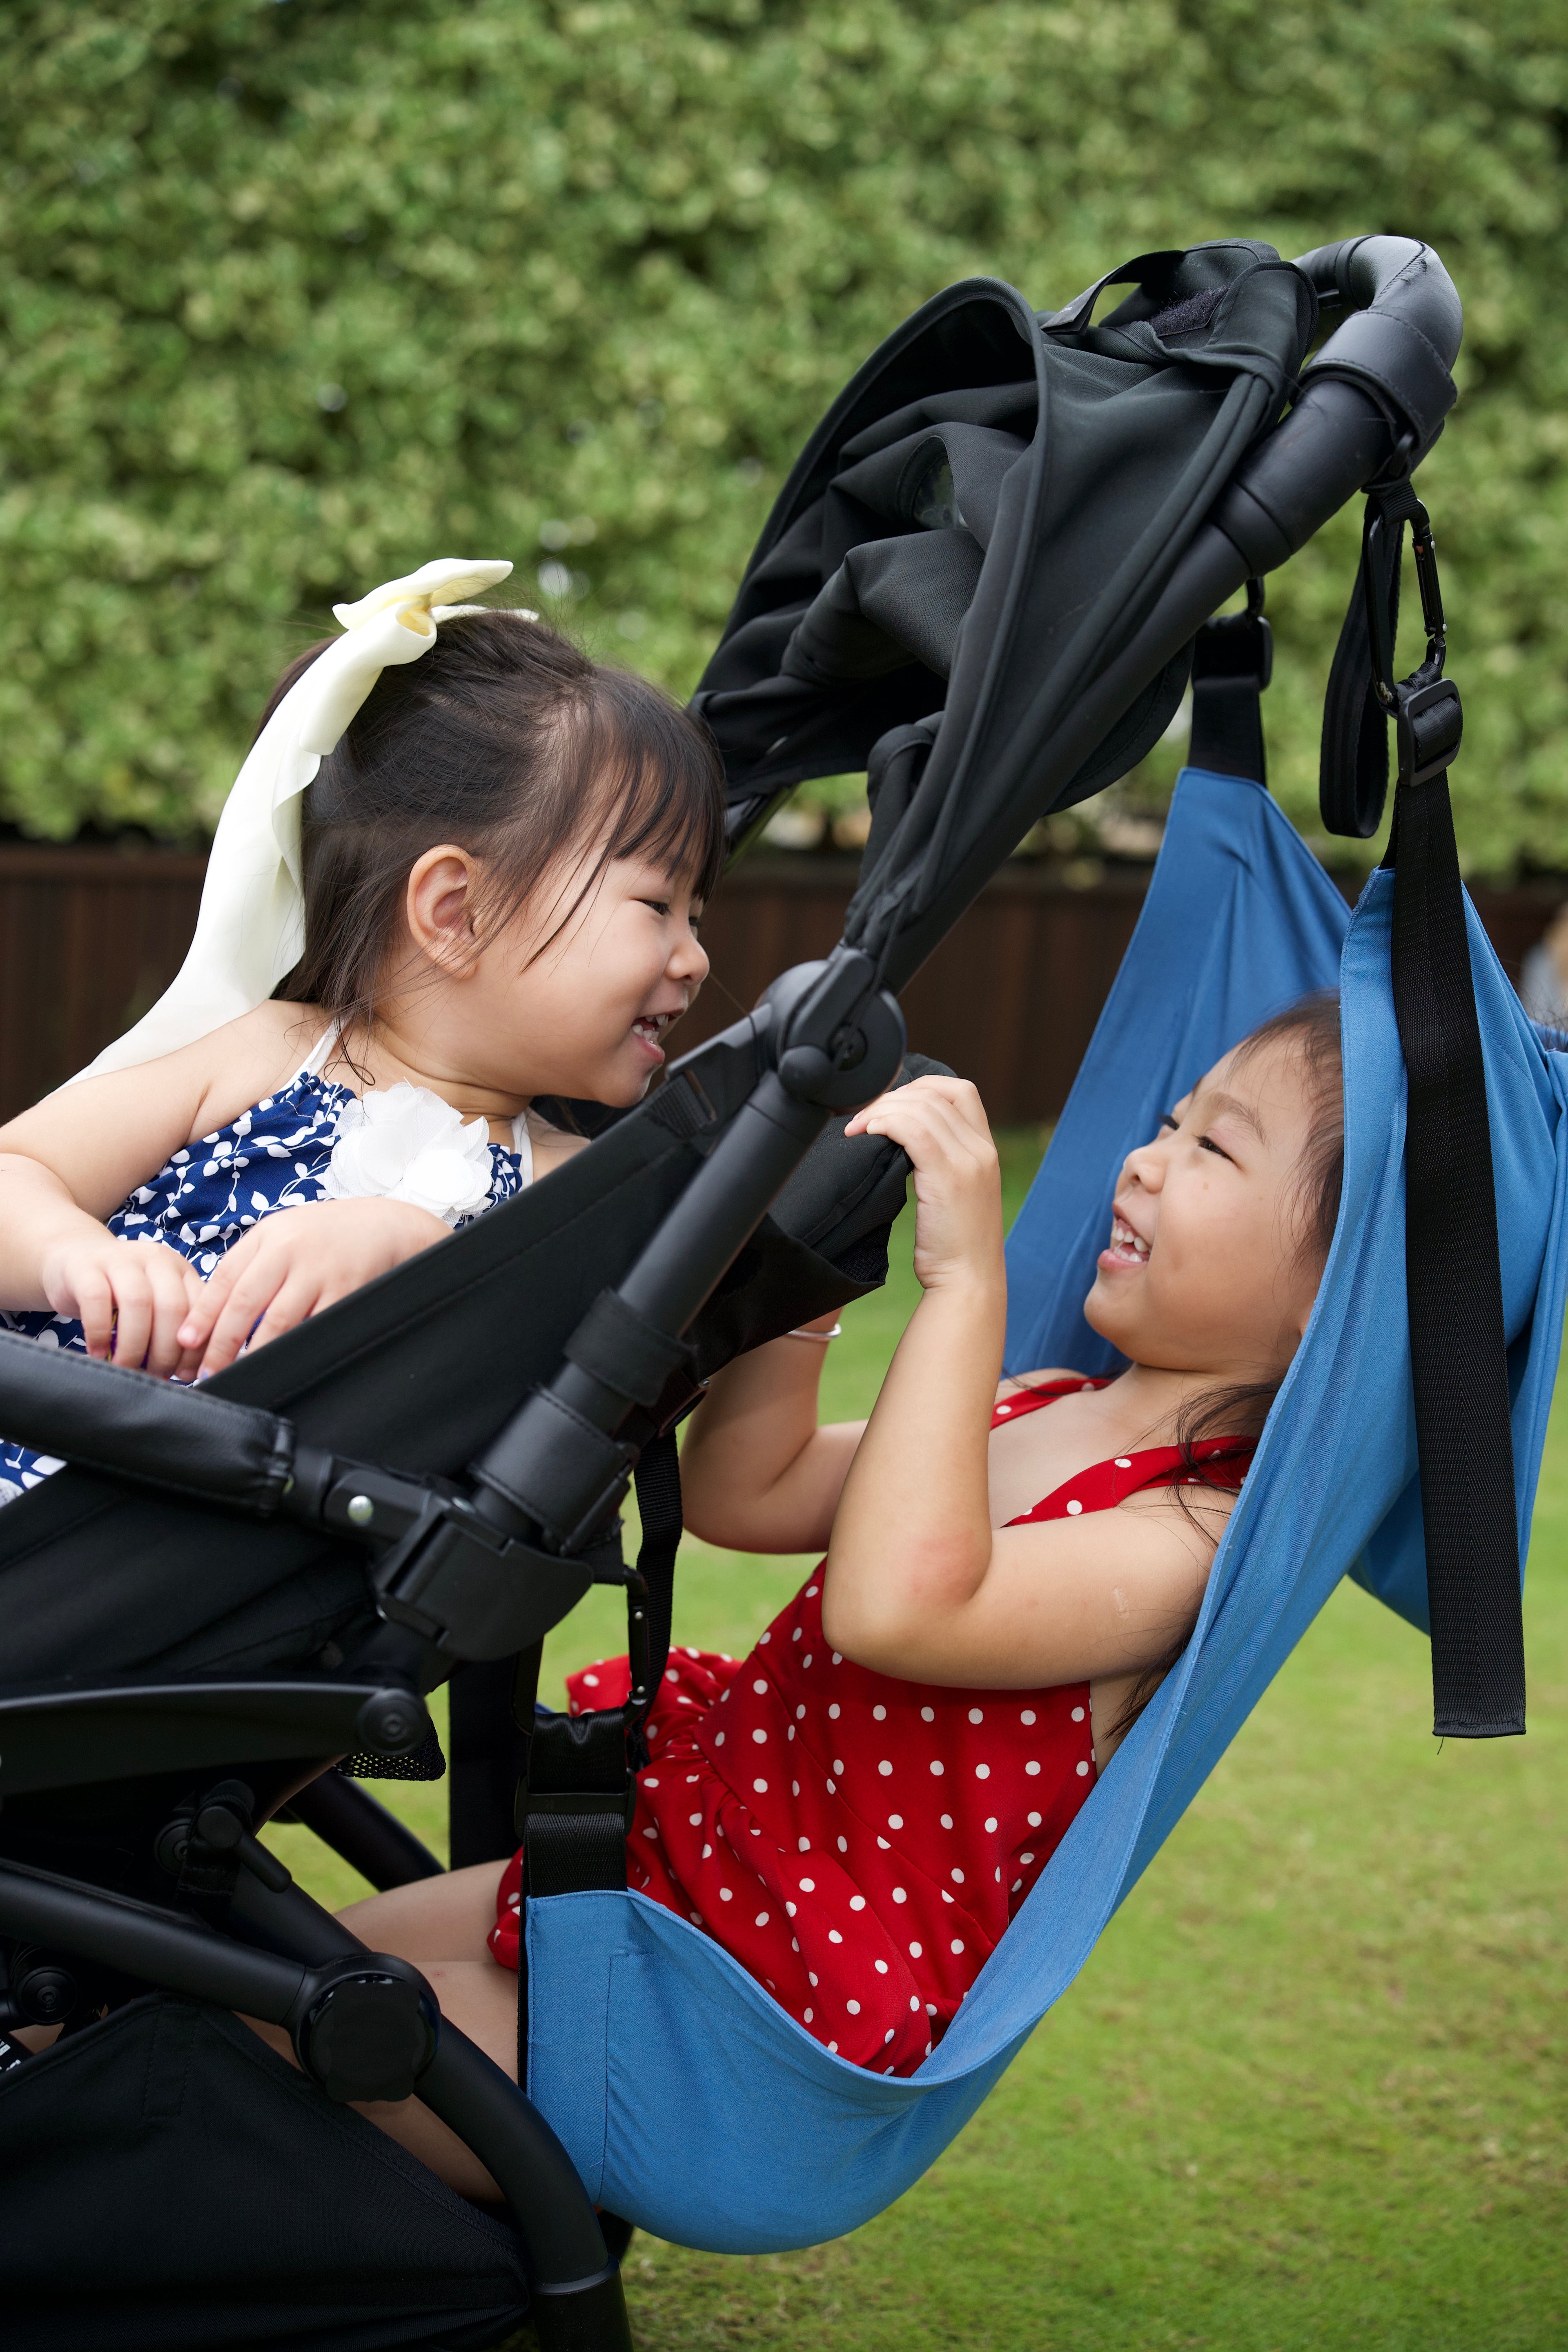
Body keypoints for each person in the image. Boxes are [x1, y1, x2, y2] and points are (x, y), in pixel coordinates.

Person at [320, 992, 1343, 2198]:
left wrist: (967, 1287)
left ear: (1331, 1293)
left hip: (752, 2030)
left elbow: (902, 1609)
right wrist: (814, 1258)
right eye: (1169, 1122)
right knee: (278, 1970)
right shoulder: (1045, 1400)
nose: (1145, 1159)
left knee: (268, 2032)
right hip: (673, 1879)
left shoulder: (1191, 1538)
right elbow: (750, 1492)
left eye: (1213, 1147)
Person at [0, 559, 723, 1498]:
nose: (695, 958)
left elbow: (591, 1378)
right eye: (658, 904)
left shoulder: (570, 1186)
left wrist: (416, 1251)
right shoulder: (270, 1052)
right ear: (456, 910)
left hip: (177, 1588)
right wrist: (76, 1257)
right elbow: (20, 1174)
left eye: (697, 917)